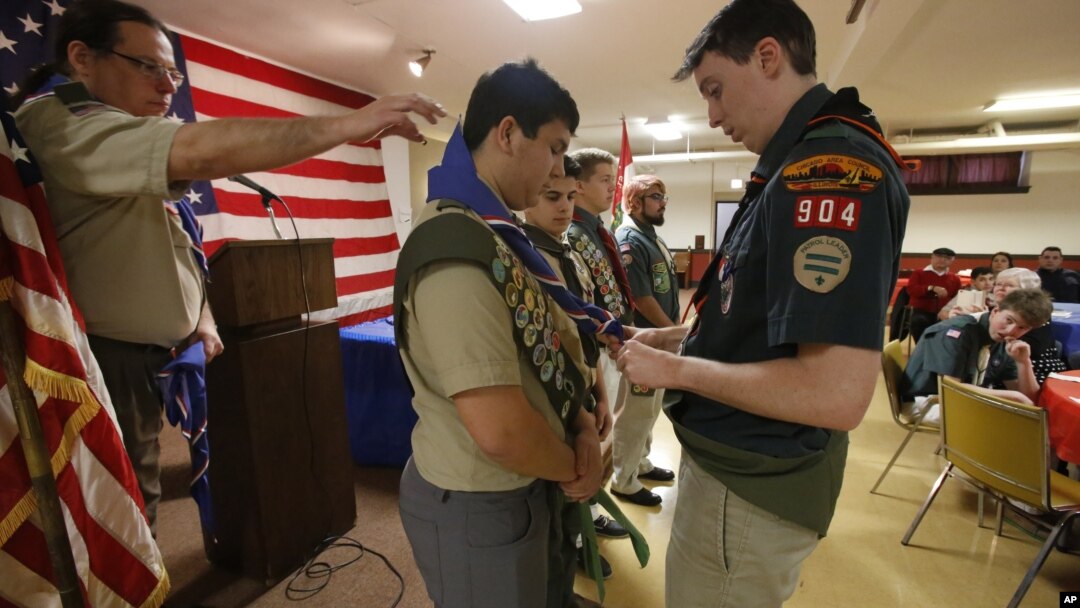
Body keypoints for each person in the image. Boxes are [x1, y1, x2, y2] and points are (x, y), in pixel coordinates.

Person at [13, 0, 444, 533]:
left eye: (172, 72)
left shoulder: (118, 144)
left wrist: (201, 317)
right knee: (113, 518)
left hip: (150, 357)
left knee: (134, 503)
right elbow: (196, 150)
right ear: (82, 57)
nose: (169, 86)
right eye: (148, 67)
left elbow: (164, 246)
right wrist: (344, 126)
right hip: (101, 358)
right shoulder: (63, 118)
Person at [613, 0, 911, 604]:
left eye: (717, 89)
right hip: (742, 467)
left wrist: (673, 370)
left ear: (768, 56)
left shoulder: (828, 170)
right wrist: (675, 338)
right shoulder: (788, 167)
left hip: (748, 482)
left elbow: (833, 393)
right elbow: (750, 316)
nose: (713, 114)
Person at [394, 59, 608, 608]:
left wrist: (581, 422)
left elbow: (551, 343)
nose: (562, 170)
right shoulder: (456, 248)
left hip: (530, 478)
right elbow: (502, 432)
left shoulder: (500, 234)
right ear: (509, 133)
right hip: (481, 499)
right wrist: (580, 467)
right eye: (556, 148)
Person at [522, 155, 619, 581]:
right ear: (528, 199)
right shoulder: (523, 259)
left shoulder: (571, 255)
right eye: (551, 197)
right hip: (552, 399)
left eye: (568, 196)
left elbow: (586, 336)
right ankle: (567, 560)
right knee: (556, 504)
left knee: (577, 494)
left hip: (582, 388)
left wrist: (599, 394)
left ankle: (571, 558)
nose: (563, 207)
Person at [566, 147, 642, 532]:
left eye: (615, 181)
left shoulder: (598, 229)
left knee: (605, 427)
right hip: (595, 349)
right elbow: (584, 300)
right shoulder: (574, 234)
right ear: (577, 185)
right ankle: (586, 519)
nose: (614, 189)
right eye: (605, 181)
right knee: (595, 431)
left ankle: (593, 509)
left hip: (611, 343)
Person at [609, 174, 679, 507]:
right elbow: (641, 297)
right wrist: (670, 332)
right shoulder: (629, 239)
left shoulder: (650, 236)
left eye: (664, 196)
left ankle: (641, 462)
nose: (663, 202)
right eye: (656, 196)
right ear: (635, 201)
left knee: (650, 408)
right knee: (636, 410)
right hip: (643, 340)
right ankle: (623, 479)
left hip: (658, 342)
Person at [900, 289, 1052, 423]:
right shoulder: (956, 332)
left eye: (1022, 328)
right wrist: (1014, 397)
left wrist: (1023, 362)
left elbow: (1031, 399)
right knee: (1016, 422)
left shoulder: (1006, 342)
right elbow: (951, 389)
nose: (1011, 331)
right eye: (1009, 320)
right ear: (995, 311)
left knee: (1034, 420)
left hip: (964, 399)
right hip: (928, 402)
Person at [990, 268, 1068, 384]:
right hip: (1001, 365)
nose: (1001, 288)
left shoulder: (1036, 312)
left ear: (1026, 291)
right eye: (998, 284)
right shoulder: (993, 308)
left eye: (1009, 285)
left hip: (1034, 367)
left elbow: (1035, 348)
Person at [907, 247, 962, 340]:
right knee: (918, 322)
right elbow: (911, 290)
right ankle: (923, 348)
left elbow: (957, 297)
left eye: (947, 258)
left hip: (945, 312)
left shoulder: (955, 278)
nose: (943, 260)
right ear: (932, 257)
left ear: (952, 261)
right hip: (922, 311)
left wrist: (948, 310)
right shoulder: (919, 273)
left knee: (957, 325)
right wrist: (931, 288)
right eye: (939, 256)